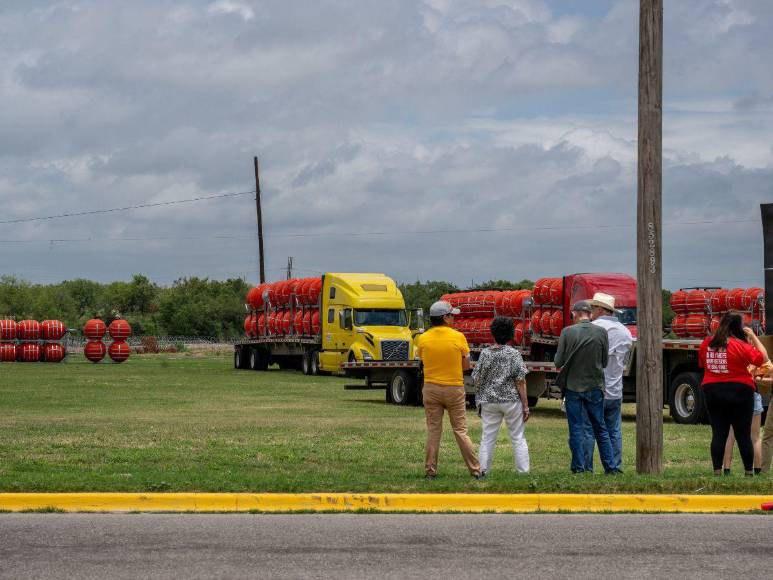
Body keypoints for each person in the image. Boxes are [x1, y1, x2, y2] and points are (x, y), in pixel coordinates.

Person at [416, 300, 481, 480]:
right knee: (460, 430)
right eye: (452, 315)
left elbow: (422, 361)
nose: (454, 319)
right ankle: (475, 470)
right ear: (445, 318)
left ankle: (430, 471)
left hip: (430, 388)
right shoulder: (458, 337)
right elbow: (466, 365)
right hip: (454, 388)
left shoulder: (423, 338)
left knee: (434, 430)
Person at [699, 312, 768, 476]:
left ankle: (717, 471)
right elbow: (763, 358)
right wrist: (753, 336)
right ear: (738, 327)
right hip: (740, 391)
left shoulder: (707, 343)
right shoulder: (740, 345)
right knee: (743, 433)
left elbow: (703, 364)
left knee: (718, 433)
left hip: (712, 390)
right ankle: (748, 472)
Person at [554, 300, 616, 474]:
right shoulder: (602, 332)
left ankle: (579, 467)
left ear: (575, 314)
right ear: (589, 313)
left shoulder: (567, 332)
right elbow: (604, 362)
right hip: (595, 386)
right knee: (600, 428)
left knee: (576, 428)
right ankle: (610, 467)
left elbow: (558, 362)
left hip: (573, 388)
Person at [581, 292, 633, 473]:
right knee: (613, 431)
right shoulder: (625, 332)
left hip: (593, 387)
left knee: (588, 430)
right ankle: (614, 466)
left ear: (601, 310)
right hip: (615, 389)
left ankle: (586, 468)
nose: (590, 311)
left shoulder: (592, 328)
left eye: (593, 308)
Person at [472, 317, 530, 476]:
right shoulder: (514, 354)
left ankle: (483, 471)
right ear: (511, 334)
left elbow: (477, 378)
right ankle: (523, 472)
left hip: (489, 401)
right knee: (518, 437)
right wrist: (525, 405)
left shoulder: (485, 353)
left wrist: (479, 398)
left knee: (487, 437)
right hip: (511, 401)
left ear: (493, 333)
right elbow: (520, 381)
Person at [721, 390, 764, 475]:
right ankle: (757, 471)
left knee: (730, 436)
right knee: (755, 437)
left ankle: (726, 470)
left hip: (734, 393)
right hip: (752, 393)